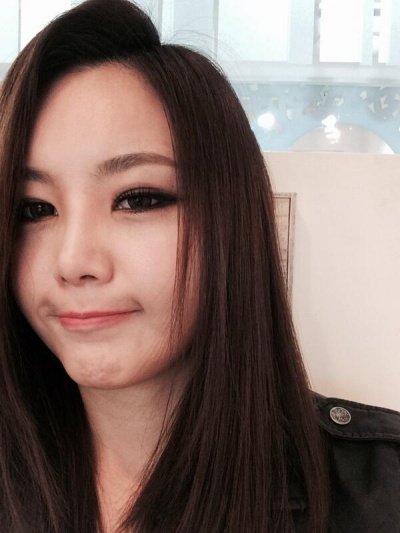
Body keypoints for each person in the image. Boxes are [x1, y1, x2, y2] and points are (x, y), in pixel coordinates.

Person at [0, 0, 399, 531]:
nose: (73, 262)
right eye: (34, 209)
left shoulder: (381, 497)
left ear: (229, 220)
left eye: (138, 199)